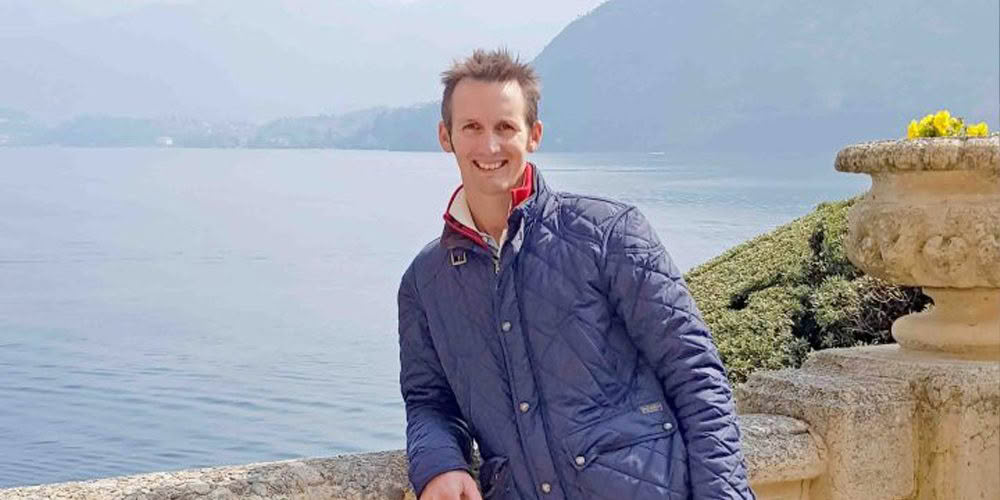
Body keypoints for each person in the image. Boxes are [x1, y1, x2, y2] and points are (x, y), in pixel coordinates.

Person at [398, 48, 754, 500]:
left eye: (505, 127)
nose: (489, 146)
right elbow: (429, 401)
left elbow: (695, 374)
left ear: (534, 135)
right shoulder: (425, 282)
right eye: (472, 127)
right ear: (446, 136)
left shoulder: (609, 233)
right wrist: (440, 465)